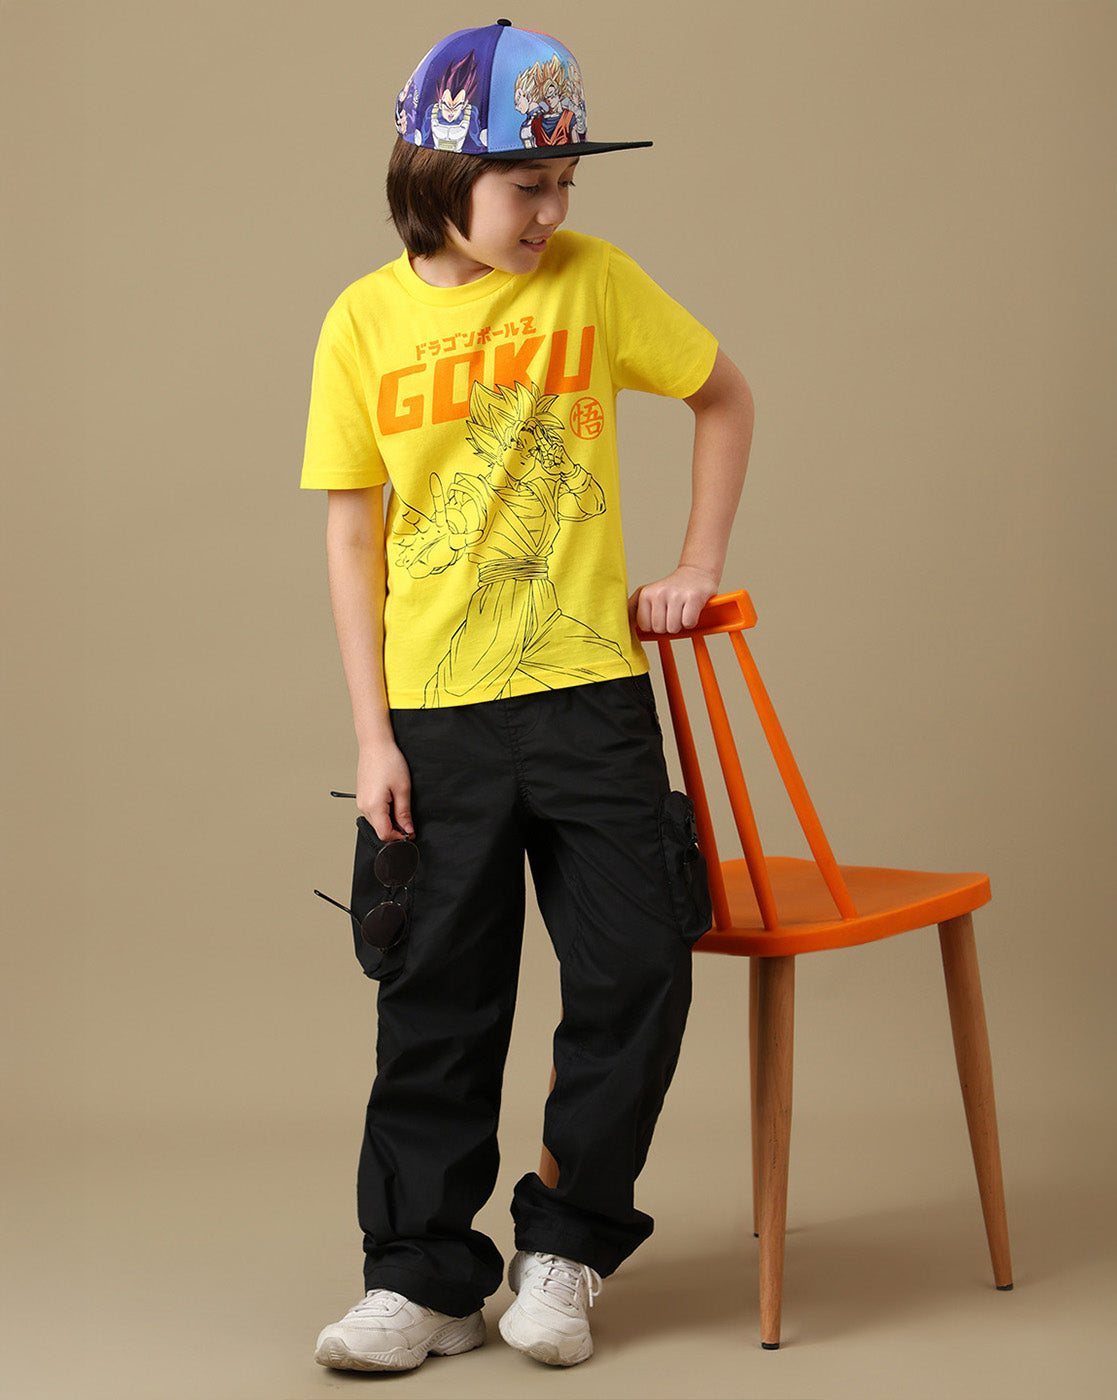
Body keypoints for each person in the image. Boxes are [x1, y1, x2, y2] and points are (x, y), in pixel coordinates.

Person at [301, 19, 754, 1374]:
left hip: (590, 700)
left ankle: (565, 1250)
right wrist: (373, 737)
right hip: (437, 718)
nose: (551, 211)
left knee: (636, 971)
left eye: (564, 184)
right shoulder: (363, 320)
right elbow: (351, 537)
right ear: (441, 174)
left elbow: (723, 396)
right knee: (435, 1000)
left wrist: (695, 565)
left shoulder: (593, 284)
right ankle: (422, 1278)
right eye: (525, 185)